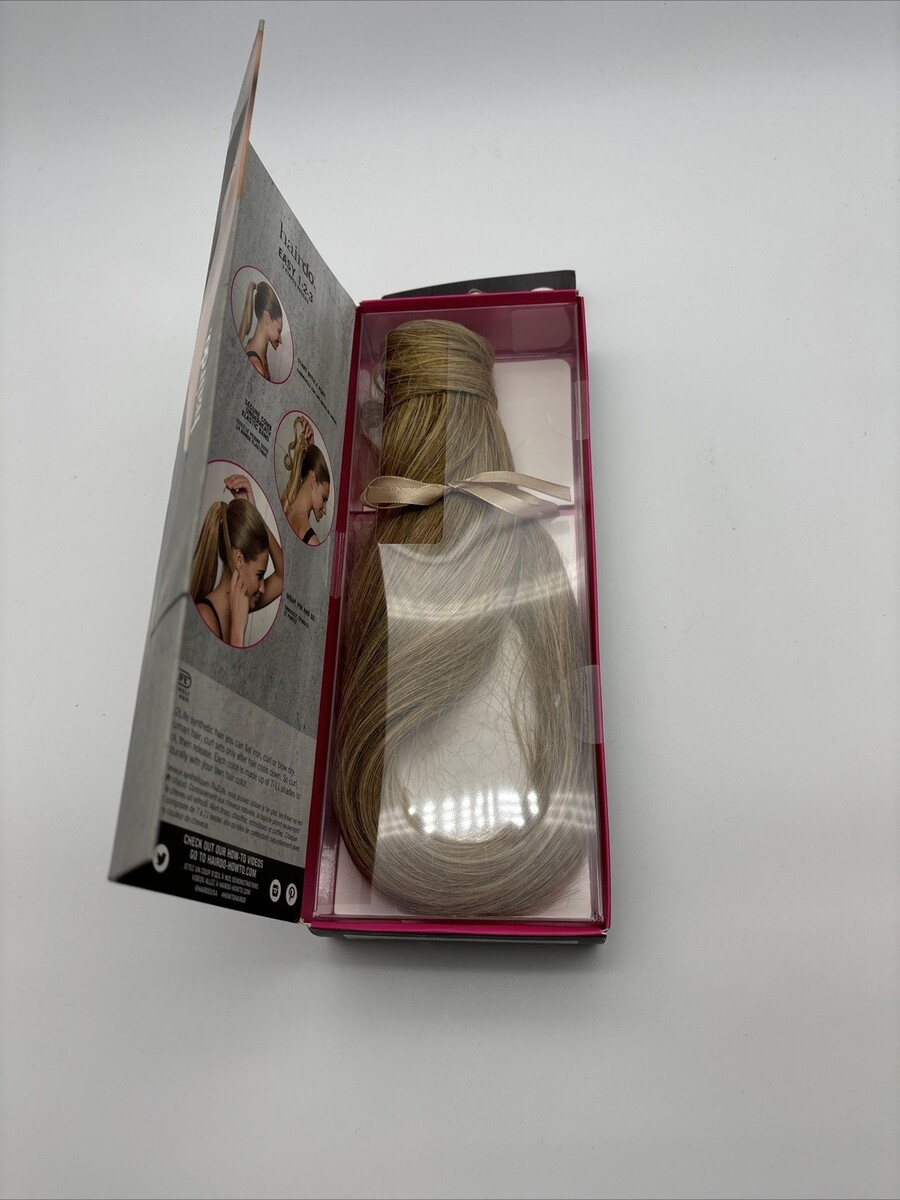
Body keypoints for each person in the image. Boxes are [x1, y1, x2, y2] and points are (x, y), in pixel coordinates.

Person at [190, 474, 284, 647]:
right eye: (259, 575)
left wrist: (255, 514)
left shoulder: (240, 608)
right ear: (239, 560)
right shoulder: (206, 617)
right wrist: (238, 631)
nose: (262, 588)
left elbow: (284, 576)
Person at [280, 415, 330, 545]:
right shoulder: (312, 540)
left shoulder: (283, 505)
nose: (325, 510)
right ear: (313, 480)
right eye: (324, 498)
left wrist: (311, 449)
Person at [238, 279, 283, 381]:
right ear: (267, 317)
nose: (280, 340)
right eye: (279, 331)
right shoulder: (256, 365)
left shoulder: (261, 355)